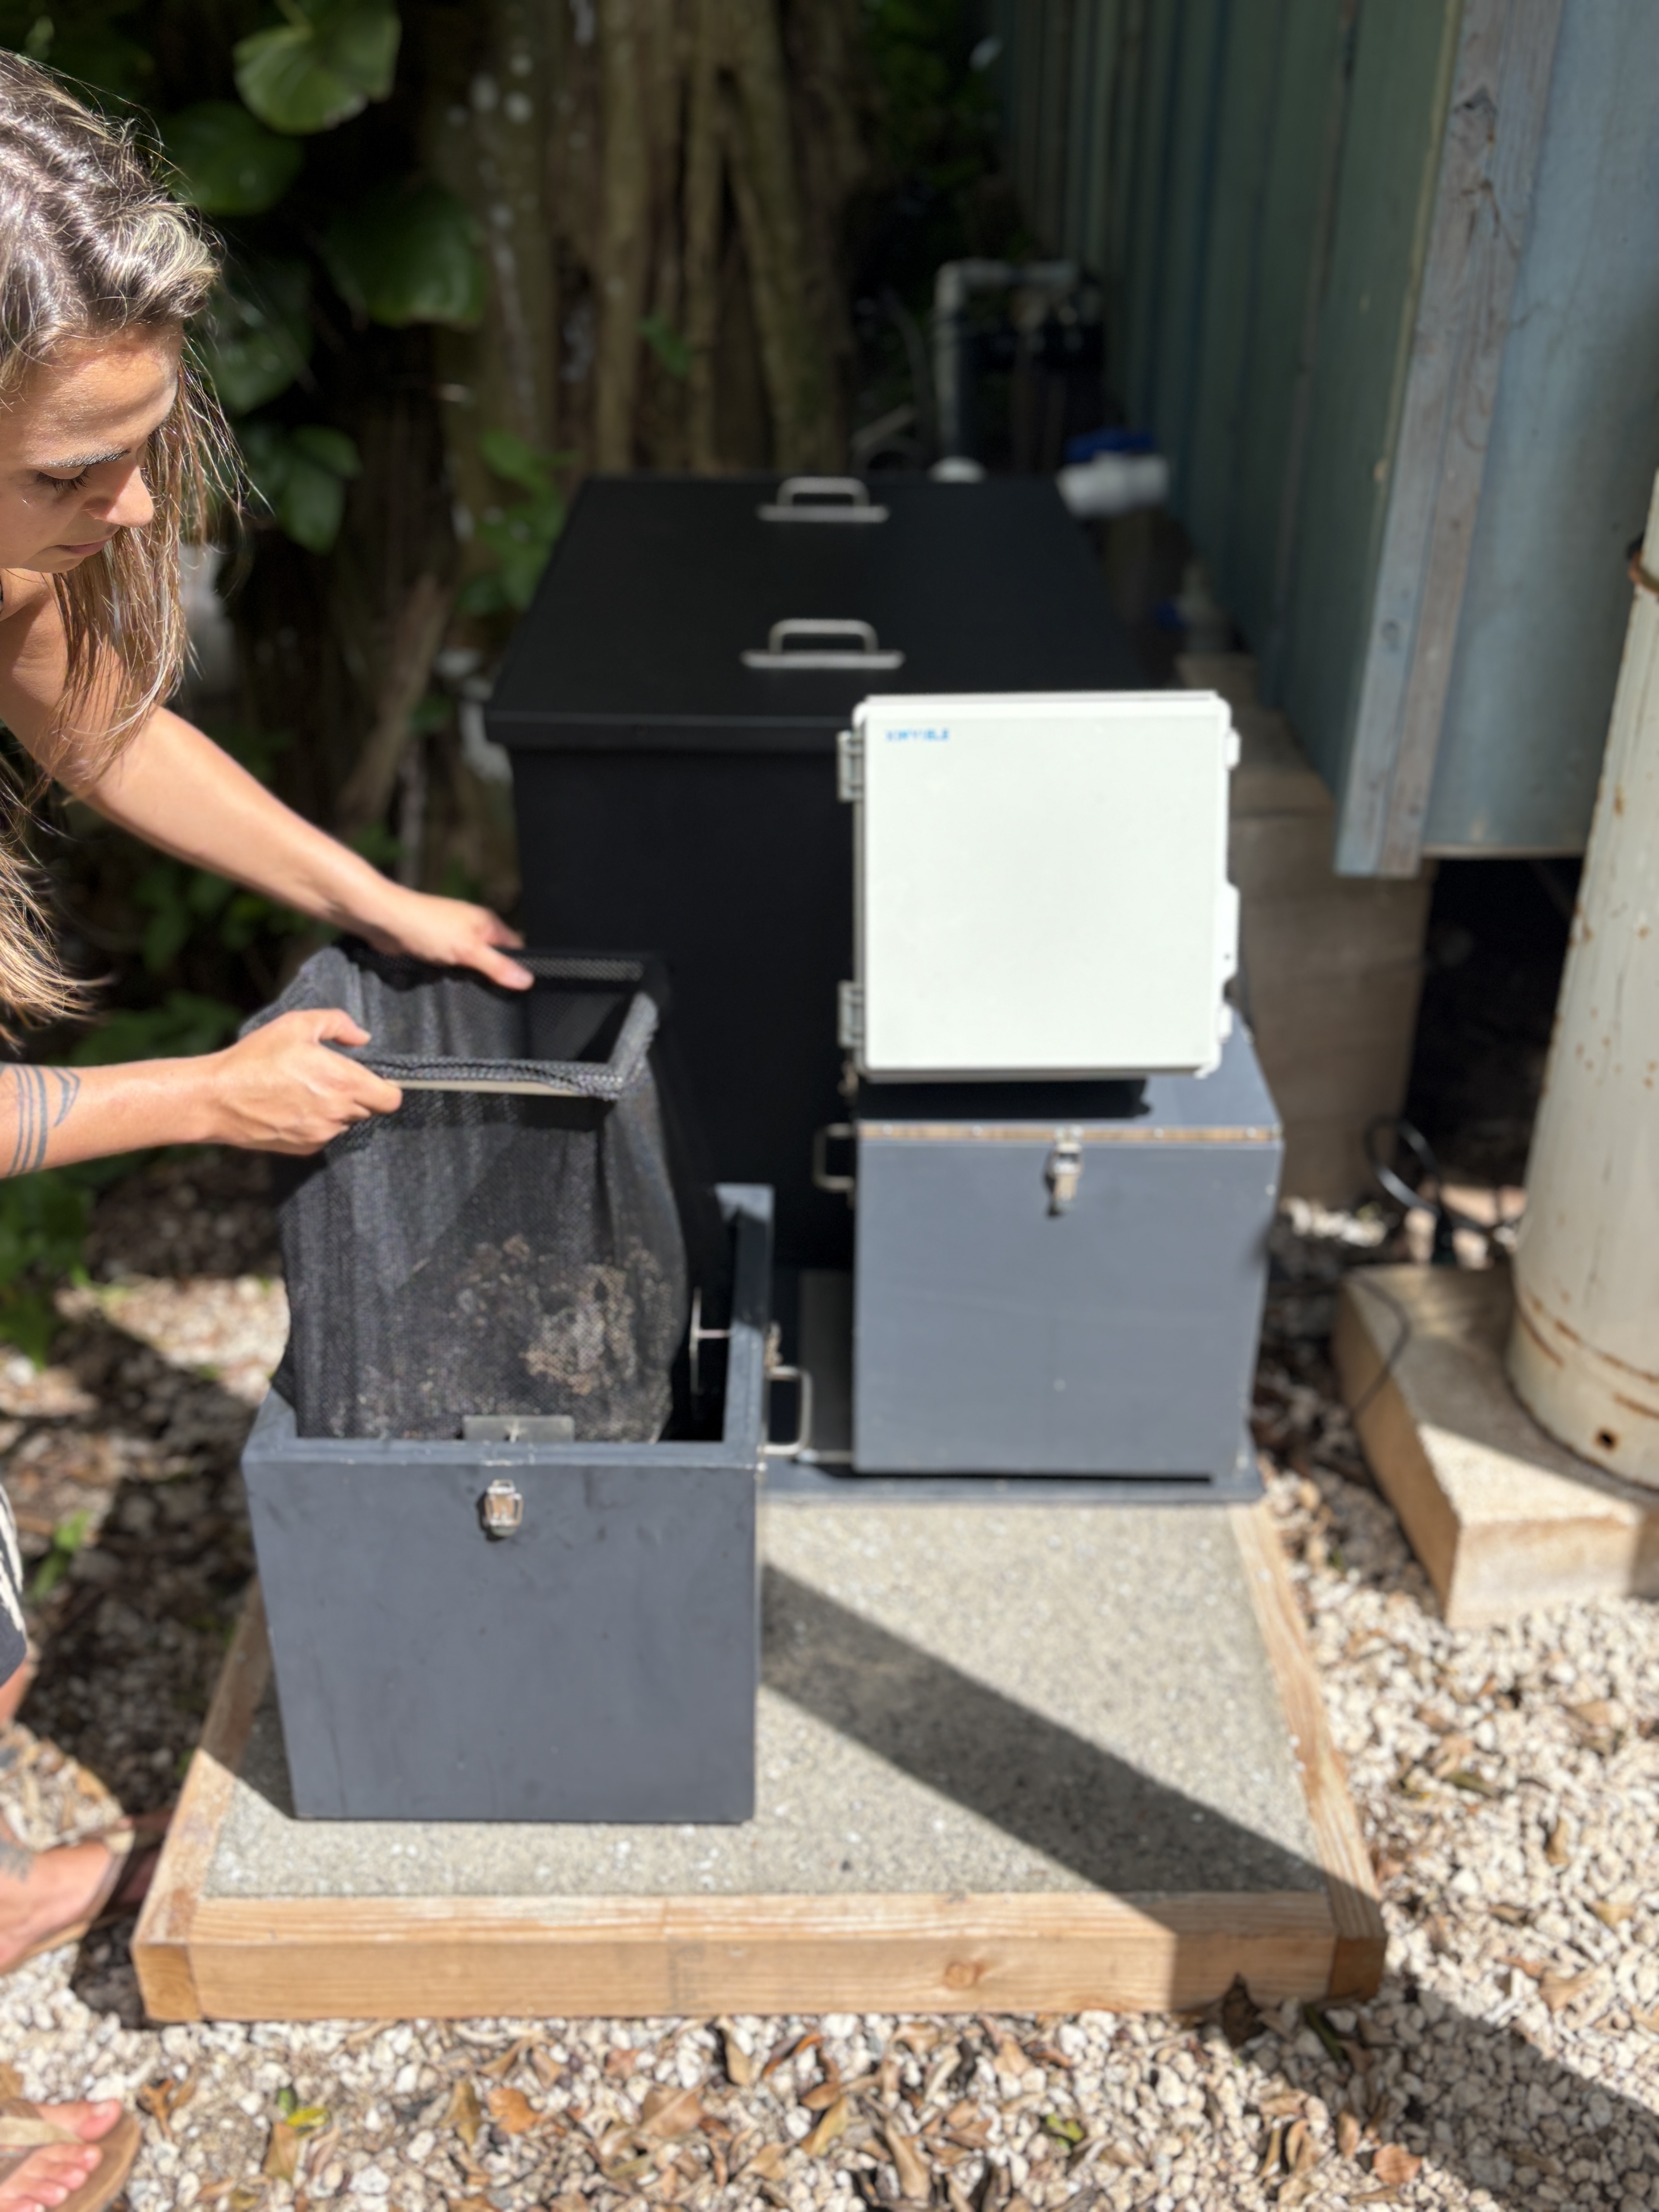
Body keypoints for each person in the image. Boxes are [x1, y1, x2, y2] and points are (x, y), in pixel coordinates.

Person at [0, 55, 529, 2210]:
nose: (134, 510)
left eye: (142, 446)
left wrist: (369, 894)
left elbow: (99, 716)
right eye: (73, 468)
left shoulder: (24, 565)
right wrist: (212, 1097)